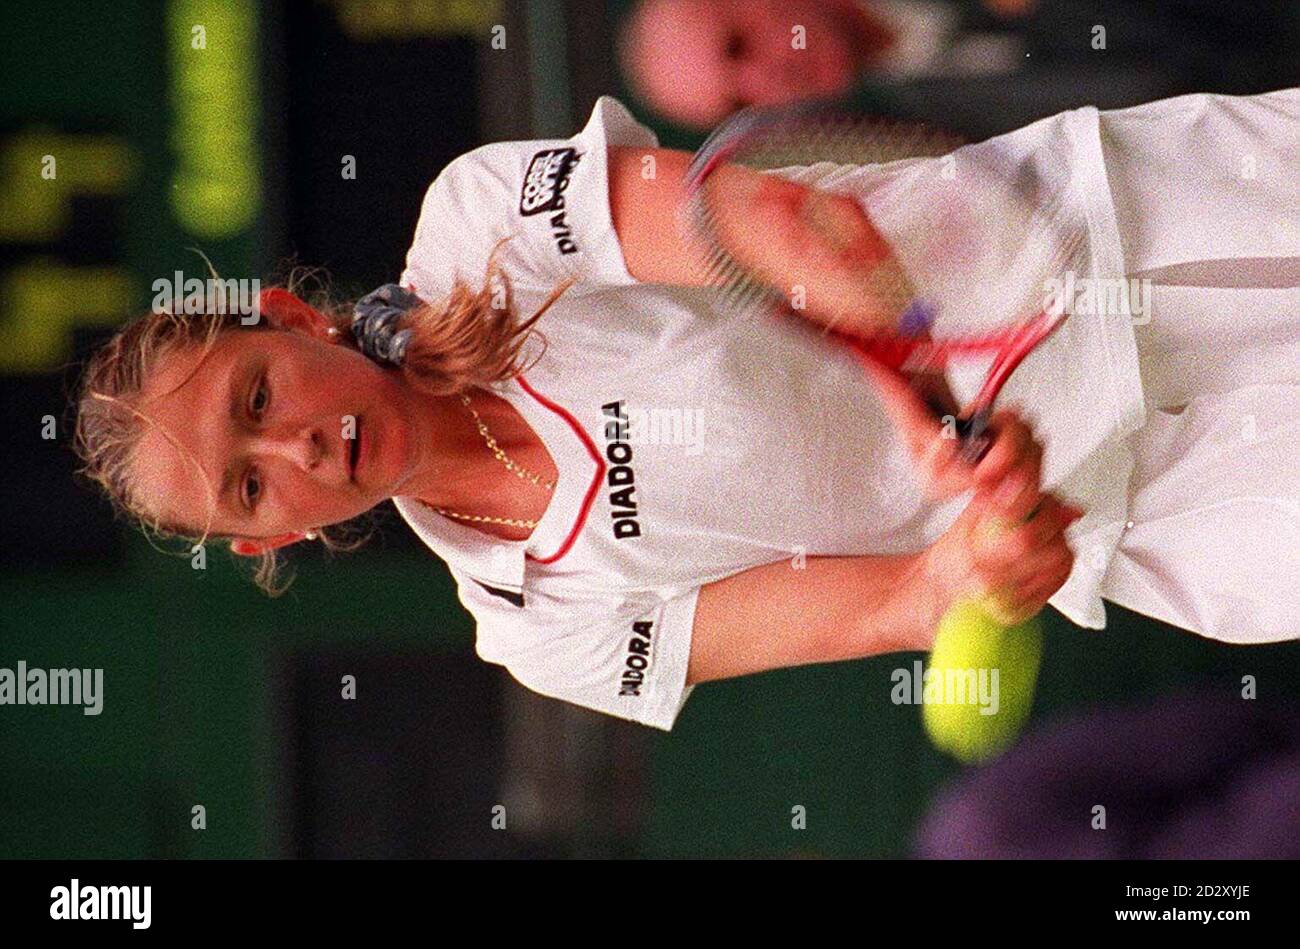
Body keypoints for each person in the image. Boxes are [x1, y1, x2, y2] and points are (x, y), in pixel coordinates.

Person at [73, 89, 1299, 731]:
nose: (296, 445)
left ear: (289, 320)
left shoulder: (476, 225)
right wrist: (983, 556)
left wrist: (914, 384)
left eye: (257, 395)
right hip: (1142, 511)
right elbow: (896, 600)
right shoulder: (541, 635)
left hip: (1109, 233)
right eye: (251, 480)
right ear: (269, 537)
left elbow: (768, 224)